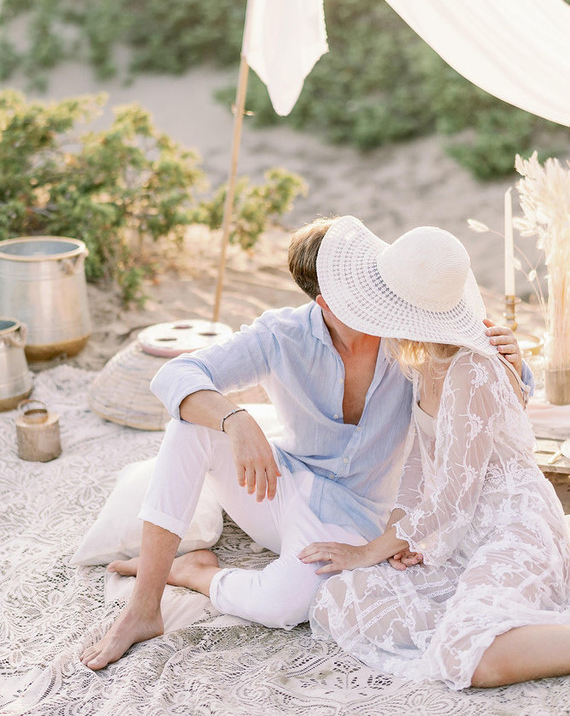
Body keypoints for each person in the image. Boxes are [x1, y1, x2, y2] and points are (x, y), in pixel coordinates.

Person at [80, 216, 528, 671]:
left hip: (355, 518)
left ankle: (198, 574)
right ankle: (143, 607)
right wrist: (236, 420)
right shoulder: (282, 335)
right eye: (362, 291)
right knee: (189, 425)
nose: (380, 297)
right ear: (326, 303)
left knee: (284, 605)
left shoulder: (408, 336)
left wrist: (515, 360)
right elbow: (175, 374)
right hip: (280, 487)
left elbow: (488, 388)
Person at [299, 217, 570, 690]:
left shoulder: (472, 368)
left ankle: (500, 632)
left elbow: (452, 498)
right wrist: (399, 541)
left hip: (513, 526)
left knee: (467, 654)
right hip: (462, 534)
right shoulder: (423, 361)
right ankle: (489, 621)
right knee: (341, 597)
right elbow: (416, 471)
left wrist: (370, 550)